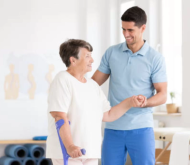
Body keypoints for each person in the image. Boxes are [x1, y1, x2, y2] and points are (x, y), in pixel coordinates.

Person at [46, 39, 147, 165]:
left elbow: (107, 115)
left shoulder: (92, 85)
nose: (92, 60)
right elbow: (59, 116)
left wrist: (130, 102)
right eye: (87, 56)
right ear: (73, 60)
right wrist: (70, 146)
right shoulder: (63, 79)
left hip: (90, 151)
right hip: (68, 152)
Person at [92, 6, 167, 165]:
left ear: (143, 28)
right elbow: (93, 84)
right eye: (123, 29)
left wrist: (146, 102)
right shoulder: (112, 53)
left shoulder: (155, 58)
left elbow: (162, 94)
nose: (126, 34)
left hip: (141, 128)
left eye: (130, 30)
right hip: (113, 127)